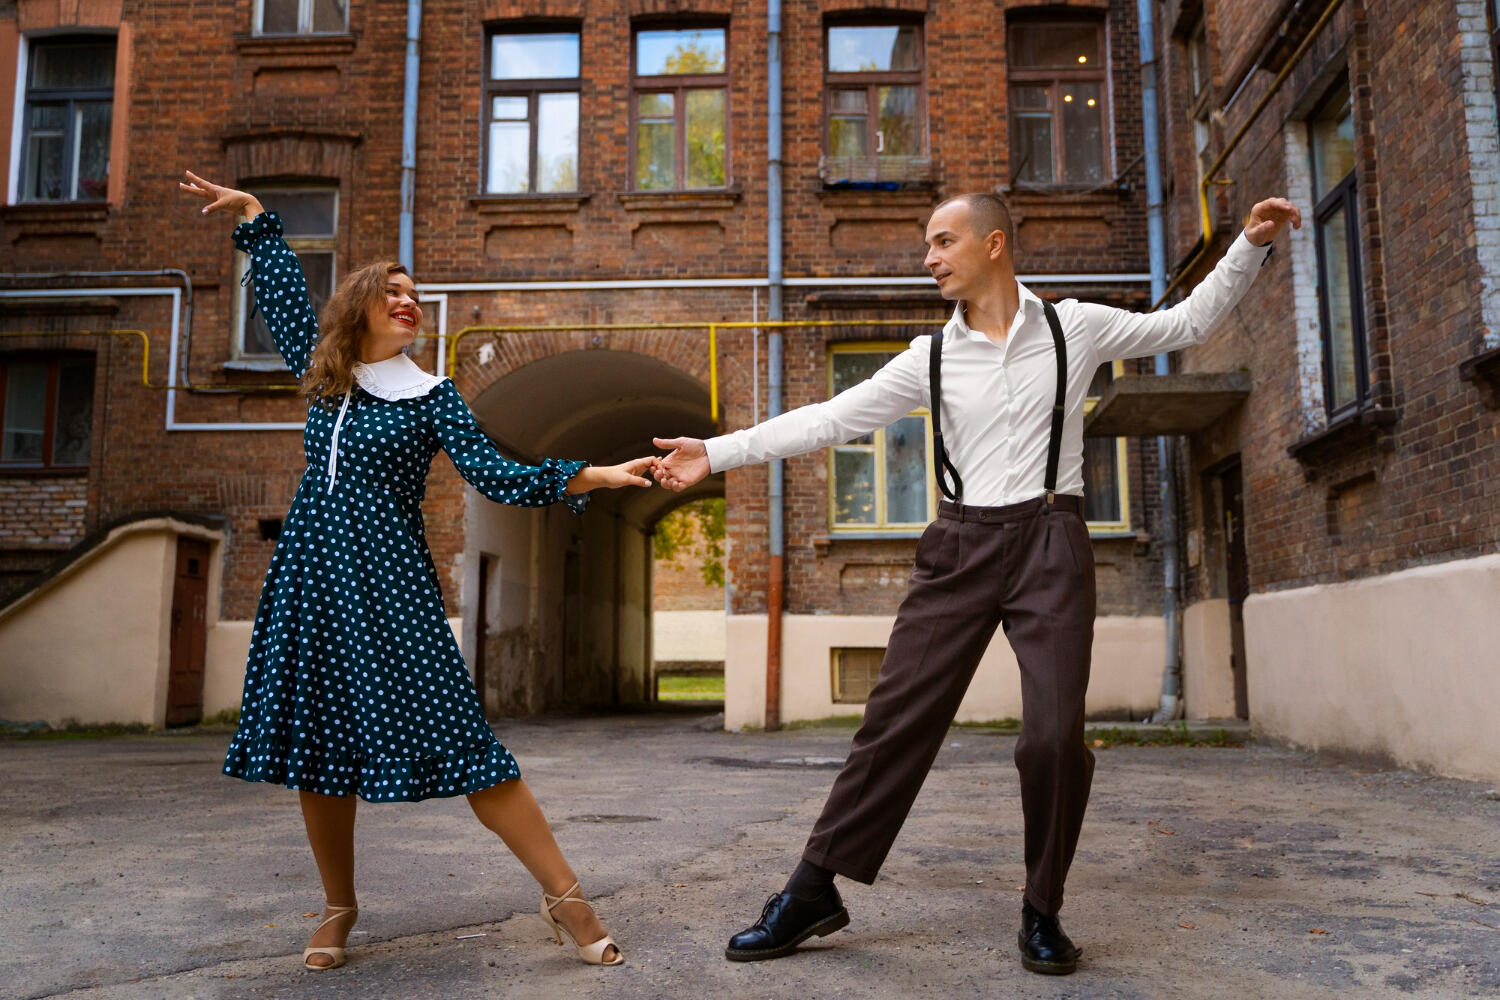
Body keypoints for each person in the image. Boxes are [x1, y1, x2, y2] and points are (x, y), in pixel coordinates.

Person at [653, 191, 1300, 975]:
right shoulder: (930, 357)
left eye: (942, 241)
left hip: (1051, 542)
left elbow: (1184, 326)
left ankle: (1042, 908)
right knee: (895, 721)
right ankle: (813, 889)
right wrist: (715, 453)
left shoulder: (1075, 326)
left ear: (994, 244)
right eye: (928, 244)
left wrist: (1250, 244)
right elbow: (831, 418)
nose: (929, 257)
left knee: (1053, 738)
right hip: (959, 545)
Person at [181, 171, 649, 970]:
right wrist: (257, 218)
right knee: (318, 746)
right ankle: (338, 906)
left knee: (465, 742)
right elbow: (286, 298)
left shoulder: (433, 397)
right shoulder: (326, 373)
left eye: (415, 295)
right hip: (312, 579)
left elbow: (495, 475)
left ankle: (566, 896)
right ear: (360, 304)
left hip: (390, 583)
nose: (408, 302)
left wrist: (596, 476)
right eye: (392, 291)